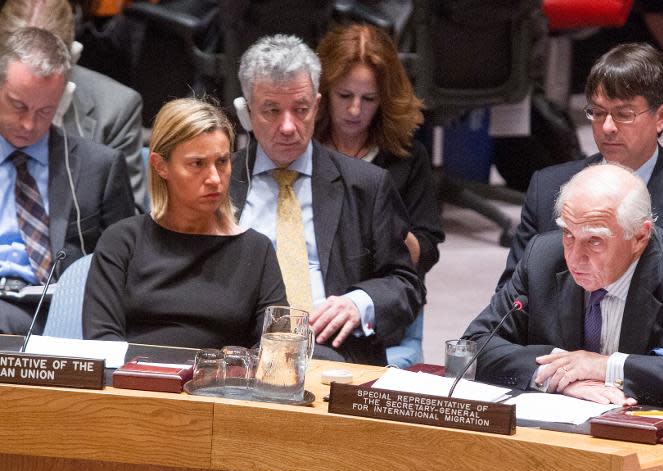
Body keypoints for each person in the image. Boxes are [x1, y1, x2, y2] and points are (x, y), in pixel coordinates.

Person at [465, 163, 663, 412]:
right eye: (568, 235)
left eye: (594, 241)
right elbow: (471, 345)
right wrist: (559, 376)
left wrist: (605, 366)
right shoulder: (542, 259)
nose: (574, 258)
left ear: (640, 236)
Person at [230, 34, 421, 366]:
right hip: (238, 351)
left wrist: (359, 303)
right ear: (247, 113)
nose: (288, 126)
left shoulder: (366, 184)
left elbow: (405, 286)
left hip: (333, 353)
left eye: (300, 109)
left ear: (317, 106)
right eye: (272, 111)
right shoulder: (221, 184)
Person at [497, 42, 663, 289]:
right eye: (597, 113)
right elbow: (512, 294)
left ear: (661, 116)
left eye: (624, 114)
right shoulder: (547, 187)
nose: (607, 127)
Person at [83, 98, 287, 349]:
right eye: (197, 164)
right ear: (161, 166)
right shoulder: (122, 242)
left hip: (222, 386)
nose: (214, 178)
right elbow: (101, 341)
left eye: (222, 162)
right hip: (136, 384)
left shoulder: (256, 250)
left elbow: (276, 348)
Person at [314, 23, 444, 367]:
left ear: (384, 99)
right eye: (345, 96)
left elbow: (428, 247)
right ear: (323, 93)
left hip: (381, 314)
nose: (355, 110)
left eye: (368, 99)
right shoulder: (303, 150)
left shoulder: (406, 157)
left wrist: (384, 226)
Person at [0, 27, 134, 334]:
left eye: (45, 111)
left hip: (61, 313)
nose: (29, 124)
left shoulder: (98, 167)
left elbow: (124, 265)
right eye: (18, 106)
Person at [0, 0, 147, 210]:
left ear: (71, 56)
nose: (28, 125)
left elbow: (128, 228)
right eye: (17, 103)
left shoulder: (116, 110)